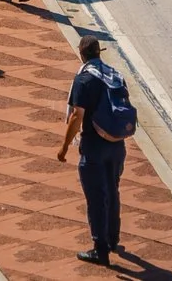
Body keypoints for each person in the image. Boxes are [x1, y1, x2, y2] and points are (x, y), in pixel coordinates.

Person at [56, 37, 136, 266]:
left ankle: (100, 249)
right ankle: (112, 238)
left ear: (82, 54)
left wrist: (63, 148)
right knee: (112, 190)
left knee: (96, 197)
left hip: (94, 145)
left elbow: (77, 116)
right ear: (99, 52)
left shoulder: (84, 79)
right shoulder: (114, 74)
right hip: (117, 143)